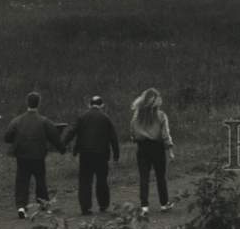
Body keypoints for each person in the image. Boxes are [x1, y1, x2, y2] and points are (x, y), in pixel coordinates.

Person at [3, 91, 65, 219]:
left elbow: (7, 137)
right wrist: (62, 148)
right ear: (38, 103)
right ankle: (43, 206)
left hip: (22, 156)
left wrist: (17, 140)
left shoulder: (17, 120)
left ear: (27, 103)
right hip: (38, 156)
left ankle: (21, 207)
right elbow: (54, 137)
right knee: (40, 181)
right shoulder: (44, 121)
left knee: (22, 182)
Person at [64, 95, 120, 215]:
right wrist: (116, 155)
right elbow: (113, 138)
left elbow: (72, 131)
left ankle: (85, 207)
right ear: (102, 105)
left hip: (85, 153)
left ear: (89, 105)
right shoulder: (106, 118)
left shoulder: (82, 117)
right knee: (101, 180)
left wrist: (62, 144)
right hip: (101, 154)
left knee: (85, 180)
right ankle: (103, 205)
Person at [130, 87, 174, 215]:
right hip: (157, 148)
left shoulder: (137, 115)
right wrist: (170, 150)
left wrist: (137, 138)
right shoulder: (161, 115)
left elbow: (132, 132)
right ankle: (164, 204)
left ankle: (144, 206)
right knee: (161, 177)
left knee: (144, 177)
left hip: (142, 148)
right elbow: (165, 134)